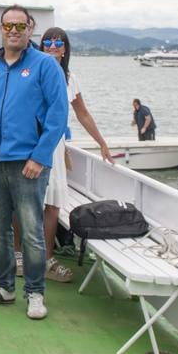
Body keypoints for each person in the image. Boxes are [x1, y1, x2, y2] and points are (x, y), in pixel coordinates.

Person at [0, 5, 69, 321]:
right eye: (8, 25)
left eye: (20, 26)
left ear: (29, 29)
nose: (13, 30)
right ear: (1, 28)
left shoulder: (44, 66)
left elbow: (58, 113)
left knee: (32, 231)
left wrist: (40, 157)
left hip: (28, 163)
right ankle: (4, 286)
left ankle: (34, 292)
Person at [39, 27, 113, 282]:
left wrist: (102, 143)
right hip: (29, 142)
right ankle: (19, 257)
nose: (52, 46)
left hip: (56, 146)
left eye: (58, 42)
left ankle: (46, 259)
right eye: (47, 41)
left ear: (65, 48)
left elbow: (82, 114)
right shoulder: (30, 71)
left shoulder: (69, 78)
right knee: (24, 203)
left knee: (52, 204)